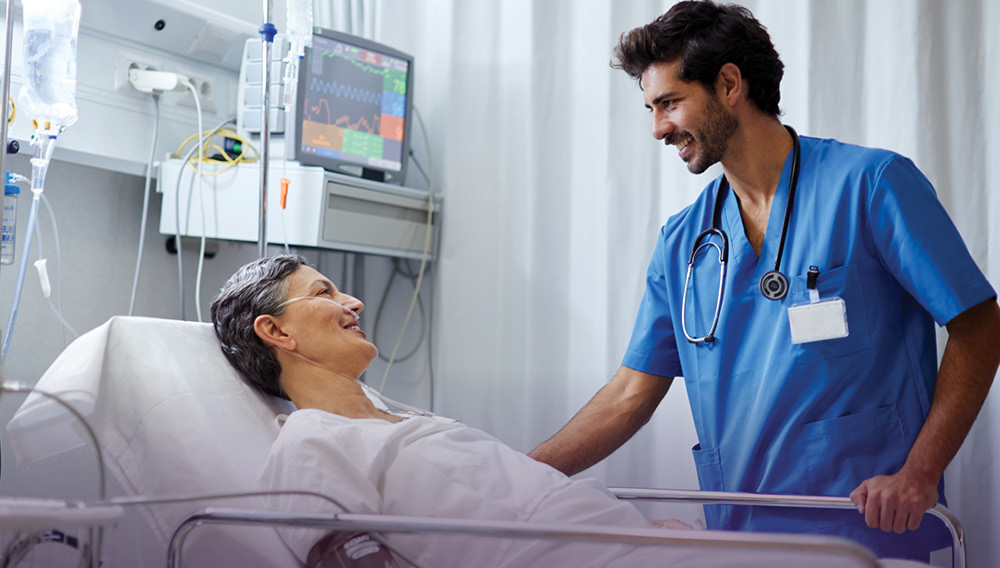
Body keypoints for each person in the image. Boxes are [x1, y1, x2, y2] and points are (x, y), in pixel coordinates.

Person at [528, 1, 1000, 562]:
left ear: (730, 84)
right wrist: (512, 477)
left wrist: (921, 472)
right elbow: (629, 395)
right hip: (740, 540)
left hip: (865, 536)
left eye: (670, 103)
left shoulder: (872, 186)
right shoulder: (684, 242)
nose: (657, 128)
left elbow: (979, 325)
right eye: (651, 108)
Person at [211, 255, 710, 568]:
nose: (355, 302)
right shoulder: (310, 442)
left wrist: (641, 531)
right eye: (325, 292)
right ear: (275, 332)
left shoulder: (410, 423)